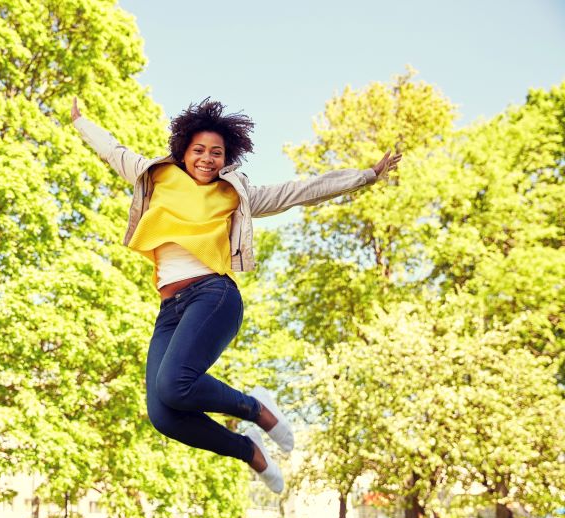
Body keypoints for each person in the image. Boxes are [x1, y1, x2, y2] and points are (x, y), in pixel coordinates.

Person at [70, 97, 400, 493]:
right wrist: (81, 122)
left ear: (226, 159)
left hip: (213, 295)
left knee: (174, 384)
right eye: (199, 150)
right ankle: (249, 451)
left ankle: (256, 409)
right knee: (164, 415)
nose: (207, 159)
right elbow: (114, 151)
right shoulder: (155, 176)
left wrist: (366, 176)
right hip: (170, 310)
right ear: (183, 152)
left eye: (217, 153)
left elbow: (299, 191)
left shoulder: (234, 195)